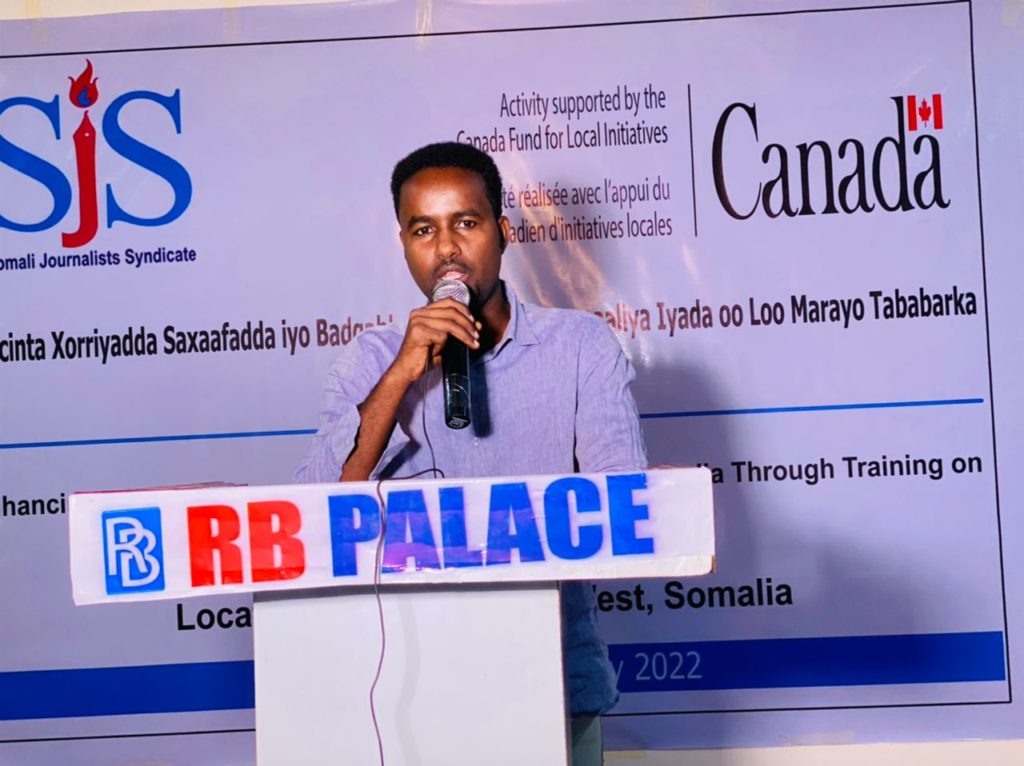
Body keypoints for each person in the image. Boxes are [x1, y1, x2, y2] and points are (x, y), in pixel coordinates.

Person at [295, 141, 647, 765]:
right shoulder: (371, 362)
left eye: (466, 222)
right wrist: (403, 374)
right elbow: (316, 512)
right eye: (423, 229)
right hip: (408, 689)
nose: (447, 249)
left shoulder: (579, 346)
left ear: (504, 232)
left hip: (554, 682)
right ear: (404, 245)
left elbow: (621, 505)